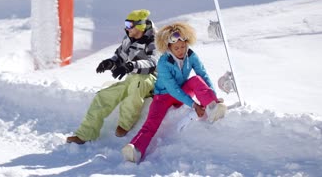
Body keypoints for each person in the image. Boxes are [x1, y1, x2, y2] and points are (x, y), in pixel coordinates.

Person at [121, 22, 227, 163]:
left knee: (196, 79)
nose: (181, 50)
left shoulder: (191, 55)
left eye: (183, 46)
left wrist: (212, 96)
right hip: (163, 97)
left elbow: (203, 74)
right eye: (176, 48)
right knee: (151, 122)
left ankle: (212, 107)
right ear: (168, 47)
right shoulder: (163, 63)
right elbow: (172, 89)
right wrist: (194, 105)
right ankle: (135, 148)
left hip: (182, 92)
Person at [66, 9, 159, 144]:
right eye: (126, 25)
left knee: (136, 86)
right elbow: (121, 55)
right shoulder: (129, 38)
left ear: (140, 25)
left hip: (150, 79)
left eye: (129, 25)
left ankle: (125, 124)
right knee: (103, 96)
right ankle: (85, 134)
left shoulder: (154, 41)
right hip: (132, 77)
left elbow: (152, 62)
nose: (126, 29)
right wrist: (111, 62)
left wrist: (131, 66)